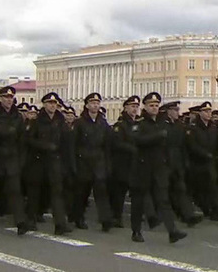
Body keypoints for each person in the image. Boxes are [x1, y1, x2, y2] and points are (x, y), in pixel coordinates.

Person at [128, 92, 187, 244]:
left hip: (159, 167)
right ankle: (136, 231)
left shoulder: (163, 123)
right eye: (151, 105)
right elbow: (138, 140)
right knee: (139, 202)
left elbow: (169, 144)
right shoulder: (139, 123)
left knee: (163, 200)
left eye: (156, 105)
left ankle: (172, 231)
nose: (154, 108)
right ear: (145, 107)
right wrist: (158, 136)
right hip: (142, 168)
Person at [0, 86, 29, 235]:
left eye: (11, 98)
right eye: (6, 97)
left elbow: (22, 140)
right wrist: (4, 132)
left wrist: (21, 160)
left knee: (15, 191)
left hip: (12, 159)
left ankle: (21, 222)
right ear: (0, 99)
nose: (9, 100)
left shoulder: (18, 117)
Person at [25, 92, 71, 236]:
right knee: (35, 193)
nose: (52, 106)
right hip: (38, 162)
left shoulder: (60, 121)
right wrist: (44, 146)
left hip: (55, 162)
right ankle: (30, 219)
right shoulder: (36, 121)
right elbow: (29, 141)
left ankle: (60, 224)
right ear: (44, 104)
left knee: (57, 193)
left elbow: (66, 142)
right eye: (50, 103)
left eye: (55, 103)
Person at [185, 101, 218, 223]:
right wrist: (205, 154)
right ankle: (191, 212)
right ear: (200, 113)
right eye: (206, 111)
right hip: (196, 163)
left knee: (212, 187)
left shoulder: (213, 127)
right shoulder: (193, 127)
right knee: (195, 189)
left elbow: (217, 144)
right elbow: (192, 146)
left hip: (209, 162)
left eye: (209, 111)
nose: (208, 114)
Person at [72, 92, 113, 231]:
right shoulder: (79, 122)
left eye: (97, 103)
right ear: (87, 105)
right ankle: (79, 217)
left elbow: (107, 145)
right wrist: (75, 163)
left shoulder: (103, 123)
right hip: (83, 162)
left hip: (99, 161)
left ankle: (105, 220)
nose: (95, 105)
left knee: (101, 191)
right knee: (82, 193)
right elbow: (74, 144)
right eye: (92, 103)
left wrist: (107, 164)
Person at [160, 101, 202, 226]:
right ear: (168, 112)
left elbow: (183, 145)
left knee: (181, 189)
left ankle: (188, 215)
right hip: (165, 162)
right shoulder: (162, 125)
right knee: (164, 191)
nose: (177, 112)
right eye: (175, 110)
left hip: (177, 162)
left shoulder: (180, 125)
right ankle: (161, 214)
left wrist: (185, 161)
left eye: (178, 110)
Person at [108, 95, 140, 228]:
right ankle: (116, 216)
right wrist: (133, 148)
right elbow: (117, 143)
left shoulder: (139, 124)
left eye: (136, 106)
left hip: (136, 163)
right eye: (132, 106)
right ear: (126, 107)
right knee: (119, 192)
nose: (135, 109)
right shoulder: (120, 125)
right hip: (122, 163)